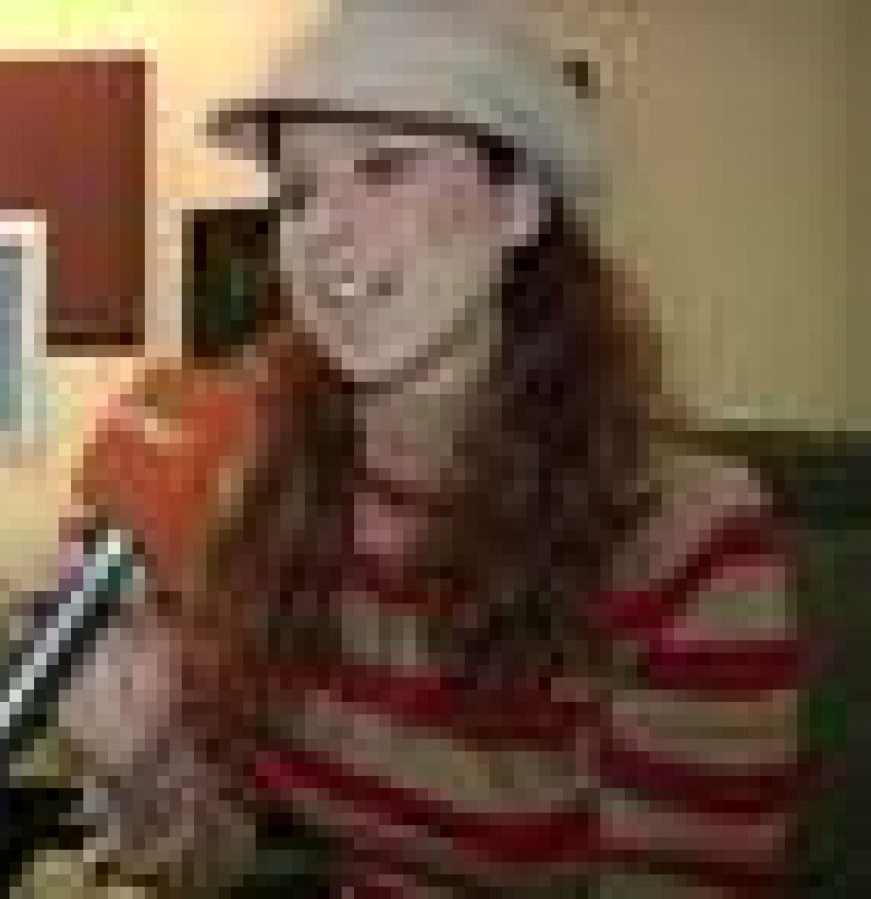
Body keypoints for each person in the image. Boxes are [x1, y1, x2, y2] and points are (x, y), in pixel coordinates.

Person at [47, 1, 807, 896]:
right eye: (297, 193)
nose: (323, 229)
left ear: (520, 204)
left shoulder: (686, 531)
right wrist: (143, 763)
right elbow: (217, 858)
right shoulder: (259, 483)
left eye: (384, 168)